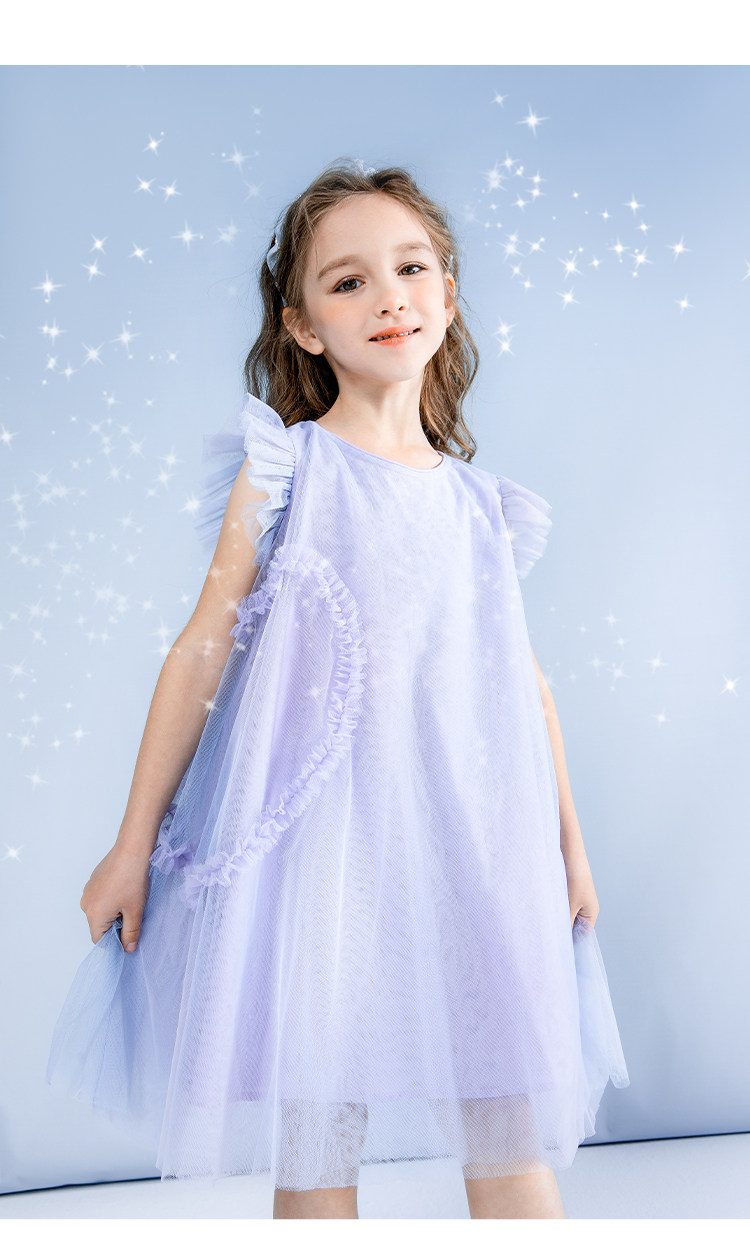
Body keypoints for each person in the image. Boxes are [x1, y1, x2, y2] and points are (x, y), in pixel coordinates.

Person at [46, 156, 630, 1219]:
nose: (388, 297)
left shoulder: (484, 507)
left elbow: (523, 685)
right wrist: (131, 844)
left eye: (411, 268)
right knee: (320, 1129)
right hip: (329, 856)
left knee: (507, 1119)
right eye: (348, 281)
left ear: (448, 294)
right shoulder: (290, 470)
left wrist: (571, 847)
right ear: (304, 325)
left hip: (474, 842)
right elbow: (203, 649)